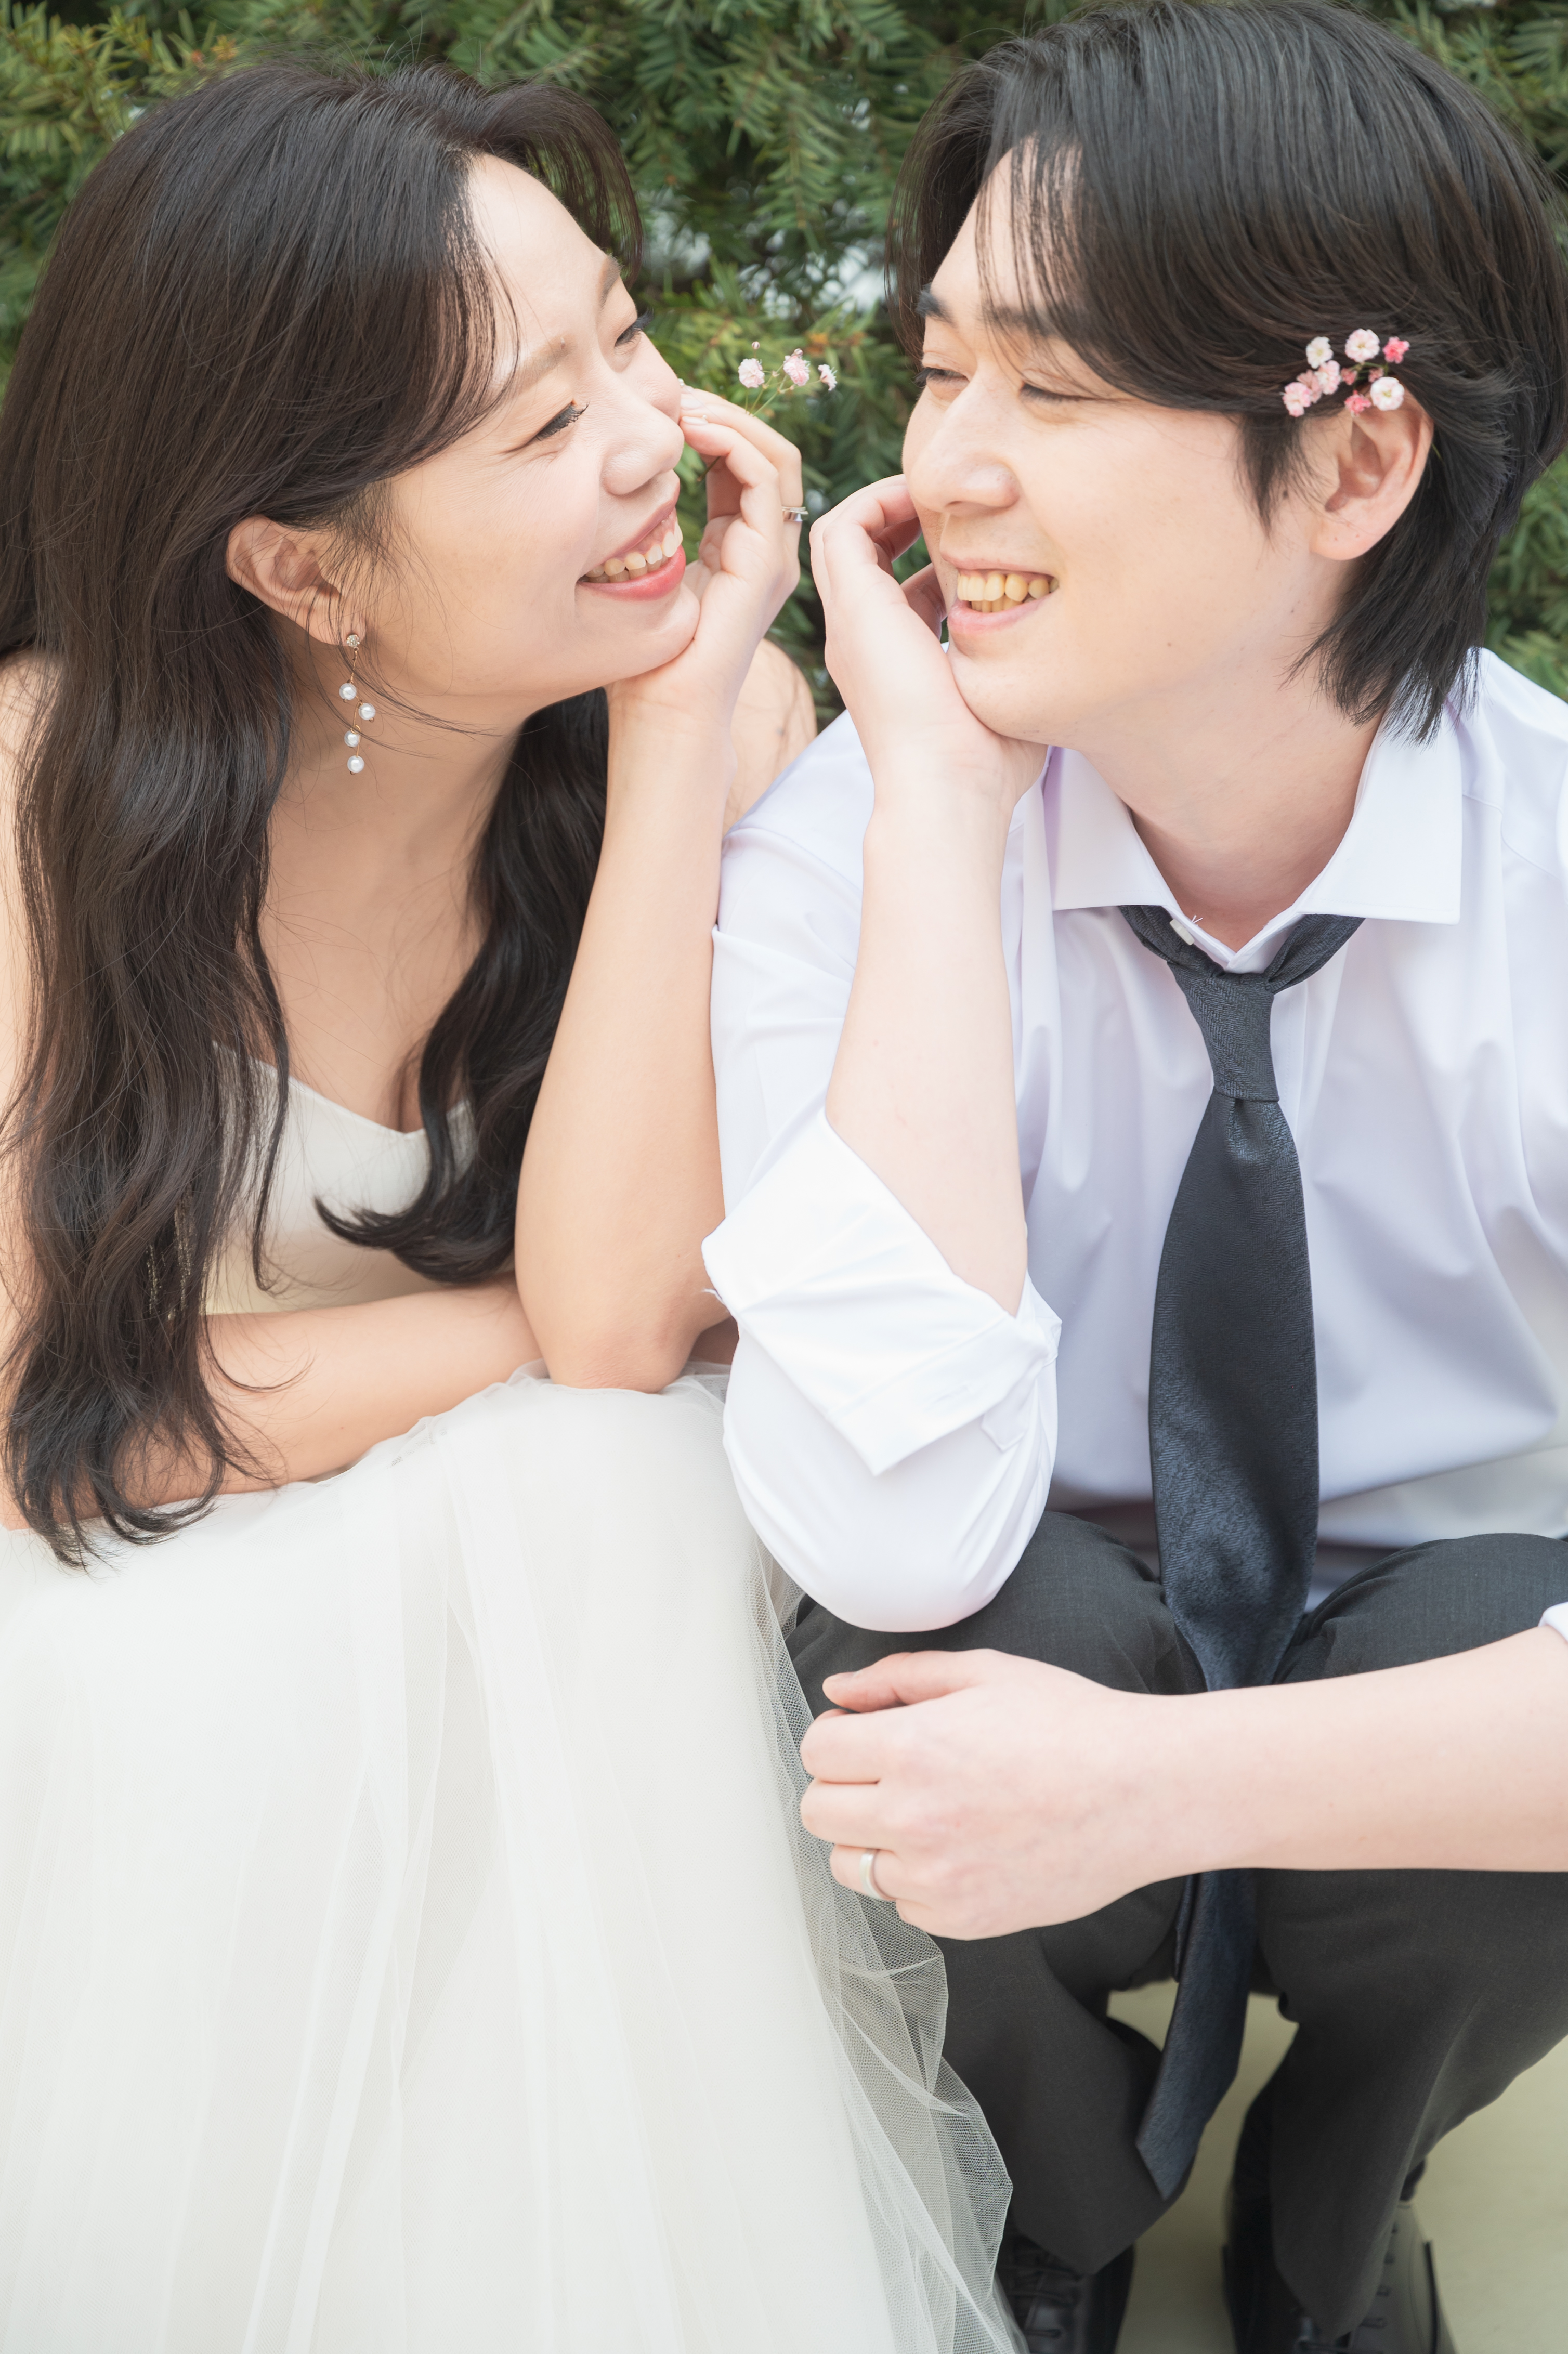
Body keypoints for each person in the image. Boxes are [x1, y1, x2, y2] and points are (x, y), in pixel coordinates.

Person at [0, 62, 1022, 2354]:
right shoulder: (38, 798)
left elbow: (629, 1320)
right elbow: (46, 1418)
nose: (652, 442)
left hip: (537, 1610)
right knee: (581, 1477)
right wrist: (545, 1342)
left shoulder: (719, 734)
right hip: (89, 1608)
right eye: (540, 424)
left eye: (626, 341)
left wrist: (672, 744)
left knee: (599, 1491)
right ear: (301, 564)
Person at [699, 5, 1568, 2351]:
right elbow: (886, 1535)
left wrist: (1174, 1778)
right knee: (923, 1646)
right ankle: (1048, 2213)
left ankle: (1330, 2224)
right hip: (1032, 1619)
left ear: (1357, 459)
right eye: (940, 371)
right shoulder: (856, 842)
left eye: (1058, 392)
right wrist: (936, 817)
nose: (949, 466)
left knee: (1503, 1669)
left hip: (1426, 1668)